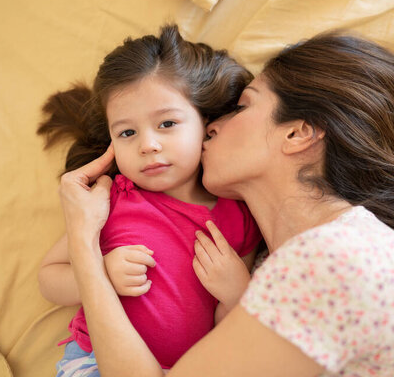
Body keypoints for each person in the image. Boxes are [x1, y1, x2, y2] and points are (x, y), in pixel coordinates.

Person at [58, 29, 394, 376]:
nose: (213, 125)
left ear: (297, 133)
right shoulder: (290, 261)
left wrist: (82, 239)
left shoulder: (336, 261)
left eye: (241, 106)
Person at [36, 25, 262, 376]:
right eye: (127, 132)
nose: (148, 145)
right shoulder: (111, 198)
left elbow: (228, 327)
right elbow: (49, 278)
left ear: (205, 123)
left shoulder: (240, 215)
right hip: (94, 361)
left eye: (167, 123)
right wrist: (104, 271)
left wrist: (237, 294)